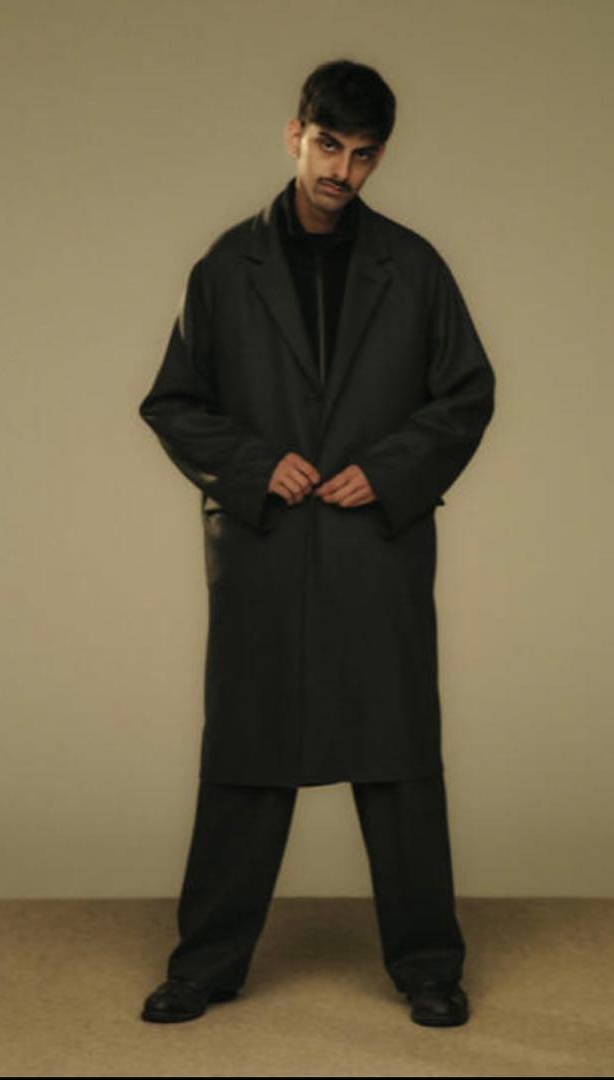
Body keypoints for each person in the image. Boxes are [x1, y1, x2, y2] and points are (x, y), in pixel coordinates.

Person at [136, 58, 496, 1027]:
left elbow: (467, 393)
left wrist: (388, 468)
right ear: (294, 134)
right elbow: (174, 402)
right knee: (248, 749)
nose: (343, 170)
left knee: (398, 757)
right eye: (329, 145)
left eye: (364, 154)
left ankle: (429, 966)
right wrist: (256, 465)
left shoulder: (413, 268)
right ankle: (206, 965)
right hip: (265, 547)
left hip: (375, 544)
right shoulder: (226, 268)